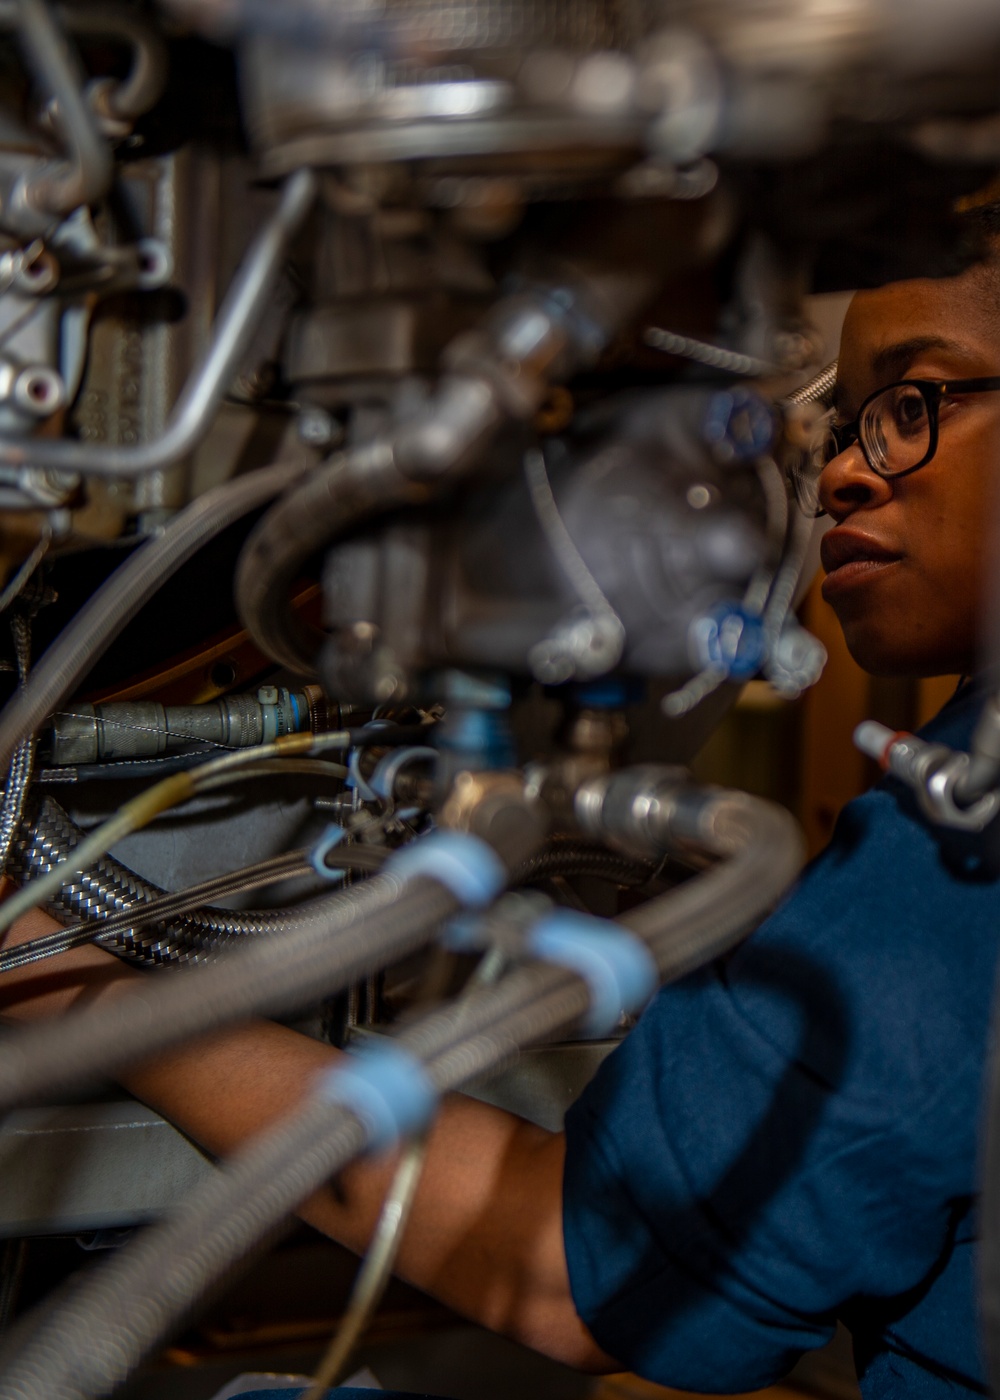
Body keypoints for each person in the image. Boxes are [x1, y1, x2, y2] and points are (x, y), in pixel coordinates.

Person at [4, 237, 1000, 1400]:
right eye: (847, 422)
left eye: (912, 402)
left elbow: (577, 1274)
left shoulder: (956, 837)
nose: (841, 474)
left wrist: (84, 987)